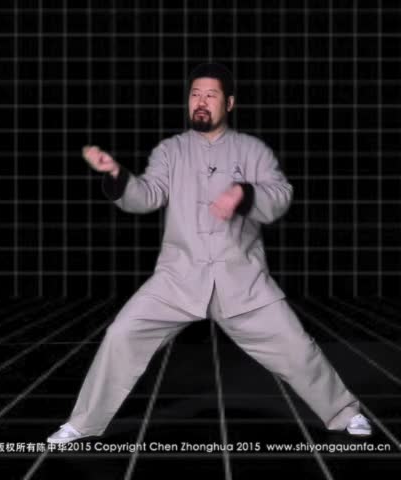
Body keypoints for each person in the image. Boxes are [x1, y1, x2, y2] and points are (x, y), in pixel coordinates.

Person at [47, 62, 370, 444]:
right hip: (178, 277)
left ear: (229, 103)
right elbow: (146, 196)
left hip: (242, 279)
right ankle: (83, 423)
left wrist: (243, 193)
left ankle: (344, 413)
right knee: (121, 335)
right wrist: (117, 175)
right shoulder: (170, 150)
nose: (200, 102)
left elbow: (280, 196)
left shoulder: (252, 150)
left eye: (210, 95)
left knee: (298, 348)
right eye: (195, 95)